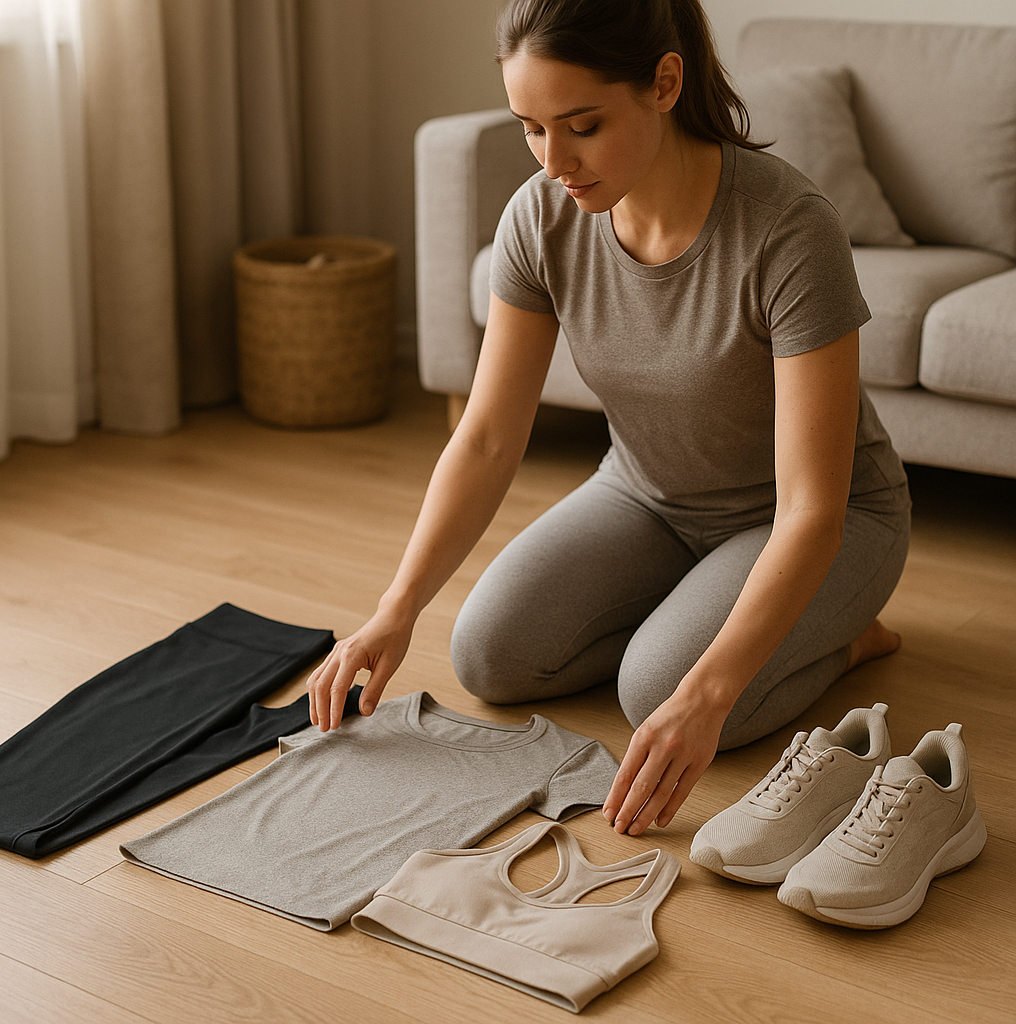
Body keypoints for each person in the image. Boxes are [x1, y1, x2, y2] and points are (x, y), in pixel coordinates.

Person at [306, 0, 911, 838]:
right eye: (530, 128)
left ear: (665, 83)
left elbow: (814, 510)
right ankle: (696, 614)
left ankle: (845, 635)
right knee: (488, 657)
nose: (555, 161)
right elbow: (485, 435)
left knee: (664, 695)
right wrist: (394, 609)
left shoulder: (787, 228)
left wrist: (702, 695)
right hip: (647, 496)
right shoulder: (541, 218)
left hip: (821, 520)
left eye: (582, 125)